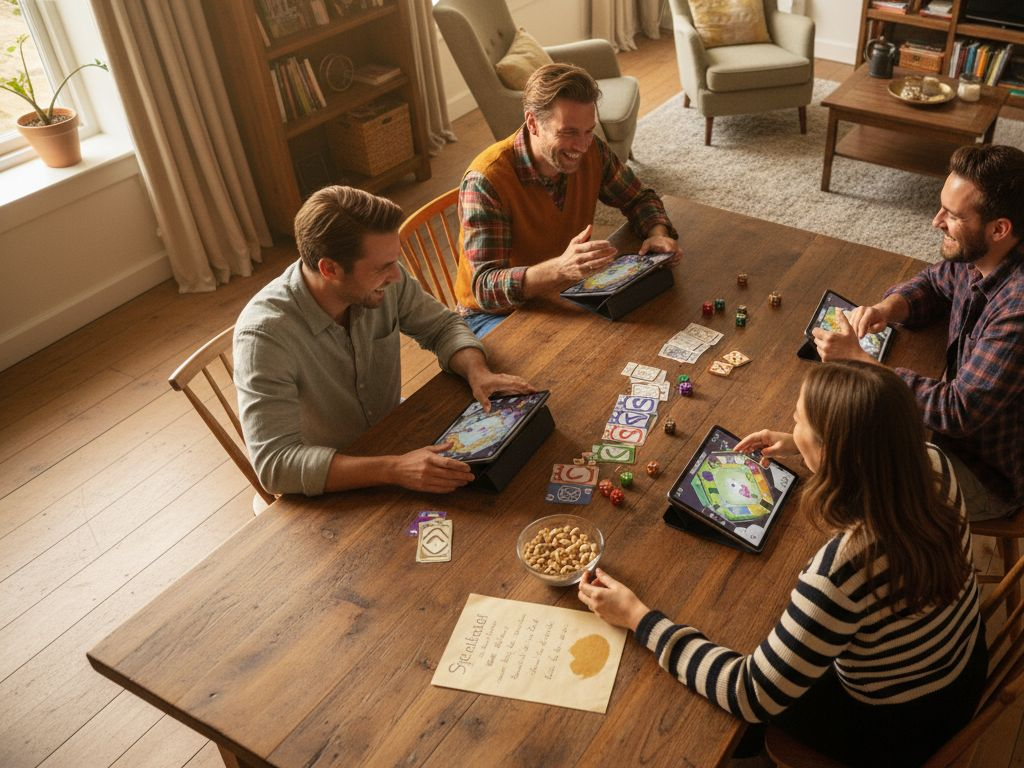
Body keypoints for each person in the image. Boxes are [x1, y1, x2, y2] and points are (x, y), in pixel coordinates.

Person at [578, 362, 985, 768]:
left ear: (834, 450)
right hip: (962, 668)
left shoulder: (842, 571)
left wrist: (637, 617)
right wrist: (800, 442)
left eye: (800, 421)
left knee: (734, 691)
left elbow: (749, 693)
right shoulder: (931, 463)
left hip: (897, 730)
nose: (793, 423)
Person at [813, 144, 1024, 521]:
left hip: (989, 474)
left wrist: (860, 360)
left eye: (953, 215)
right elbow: (937, 282)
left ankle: (889, 562)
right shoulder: (999, 248)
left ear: (999, 228)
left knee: (836, 468)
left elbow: (957, 411)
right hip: (963, 435)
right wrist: (888, 308)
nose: (936, 221)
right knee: (826, 426)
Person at [233, 186, 535, 497]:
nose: (395, 276)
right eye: (382, 267)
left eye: (394, 261)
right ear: (330, 269)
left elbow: (442, 327)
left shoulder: (384, 280)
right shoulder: (263, 337)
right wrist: (392, 469)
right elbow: (276, 465)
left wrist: (477, 372)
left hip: (393, 438)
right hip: (329, 483)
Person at [455, 63, 682, 337]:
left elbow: (639, 198)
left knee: (648, 318)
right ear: (533, 123)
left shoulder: (591, 150)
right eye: (569, 132)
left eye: (589, 130)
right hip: (492, 316)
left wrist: (657, 233)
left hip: (561, 292)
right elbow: (485, 290)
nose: (582, 145)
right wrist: (559, 269)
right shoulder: (486, 182)